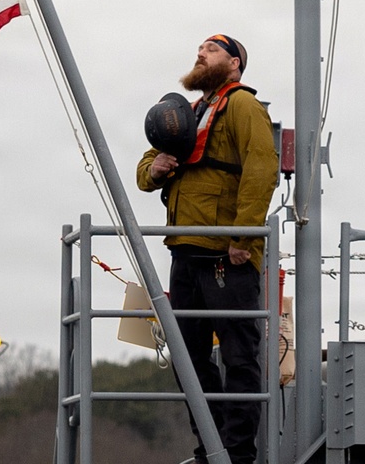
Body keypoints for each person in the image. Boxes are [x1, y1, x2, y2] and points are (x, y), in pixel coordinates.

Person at [137, 34, 279, 464]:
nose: (200, 54)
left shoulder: (242, 106)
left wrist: (243, 239)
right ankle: (211, 448)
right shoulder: (185, 113)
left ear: (234, 64)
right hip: (185, 249)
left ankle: (236, 453)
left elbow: (261, 168)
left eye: (212, 49)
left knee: (238, 357)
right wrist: (156, 167)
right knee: (189, 358)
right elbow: (145, 172)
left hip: (226, 255)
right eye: (199, 49)